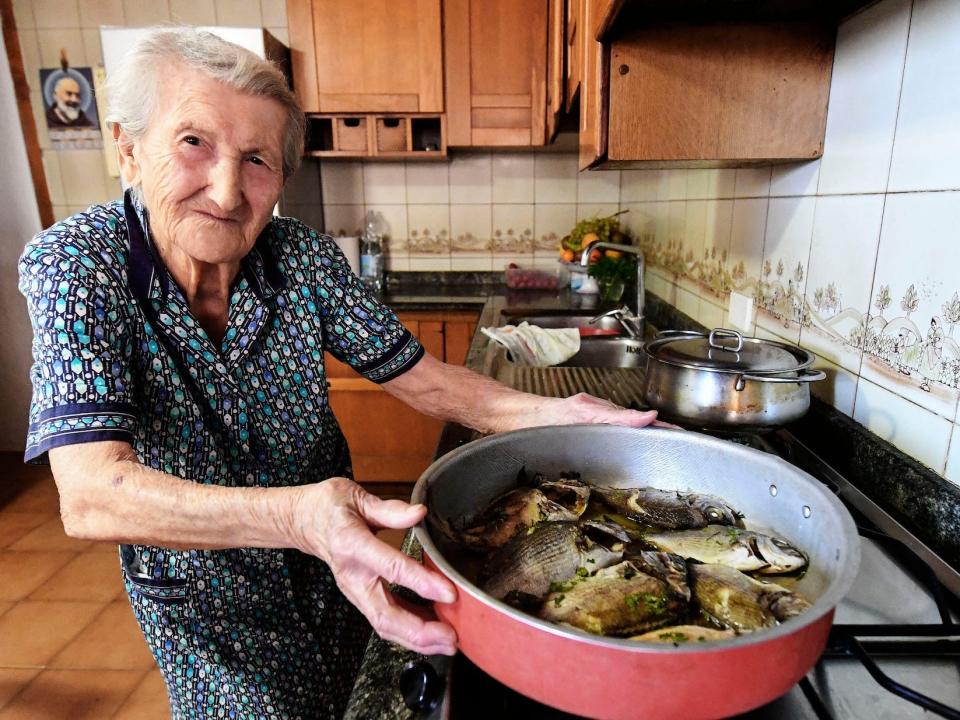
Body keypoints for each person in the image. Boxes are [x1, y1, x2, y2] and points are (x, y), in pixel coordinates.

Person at [18, 29, 660, 720]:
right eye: (193, 143)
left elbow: (424, 380)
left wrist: (566, 416)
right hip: (210, 606)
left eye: (257, 159)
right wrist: (298, 515)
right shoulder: (80, 265)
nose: (228, 190)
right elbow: (91, 495)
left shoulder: (301, 258)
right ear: (128, 148)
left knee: (353, 700)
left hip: (333, 569)